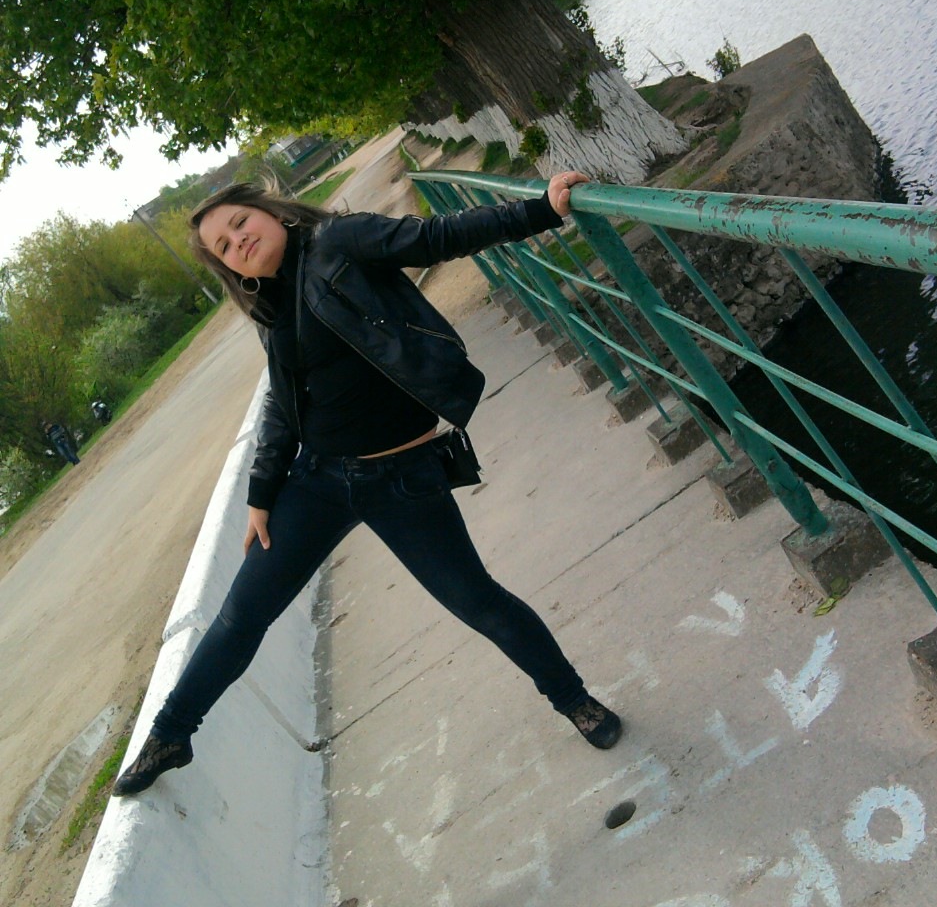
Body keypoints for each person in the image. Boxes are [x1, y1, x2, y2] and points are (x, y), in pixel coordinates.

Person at [113, 170, 622, 797]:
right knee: (240, 615)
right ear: (229, 269)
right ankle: (170, 734)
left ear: (274, 214)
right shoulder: (271, 309)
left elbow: (437, 237)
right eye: (223, 246)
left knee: (479, 602)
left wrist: (540, 211)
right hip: (318, 482)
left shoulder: (340, 241)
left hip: (402, 478)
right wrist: (262, 493)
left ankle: (575, 700)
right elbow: (283, 405)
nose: (237, 241)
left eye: (239, 223)